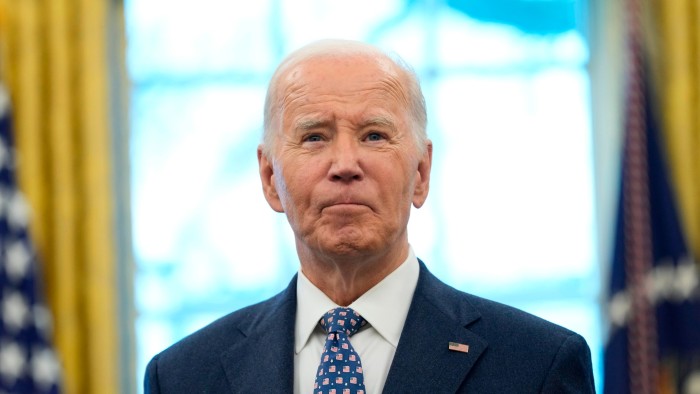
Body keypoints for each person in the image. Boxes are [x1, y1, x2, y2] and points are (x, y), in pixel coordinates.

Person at [144, 39, 595, 393]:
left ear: (420, 173)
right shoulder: (183, 375)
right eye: (315, 137)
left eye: (375, 135)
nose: (344, 164)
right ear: (269, 178)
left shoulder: (537, 365)